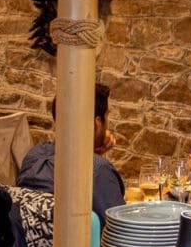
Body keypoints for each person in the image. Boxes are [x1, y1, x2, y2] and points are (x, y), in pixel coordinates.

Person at [16, 83, 125, 226]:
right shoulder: (98, 170)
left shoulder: (34, 155)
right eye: (107, 116)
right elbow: (120, 229)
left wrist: (93, 153)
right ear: (98, 123)